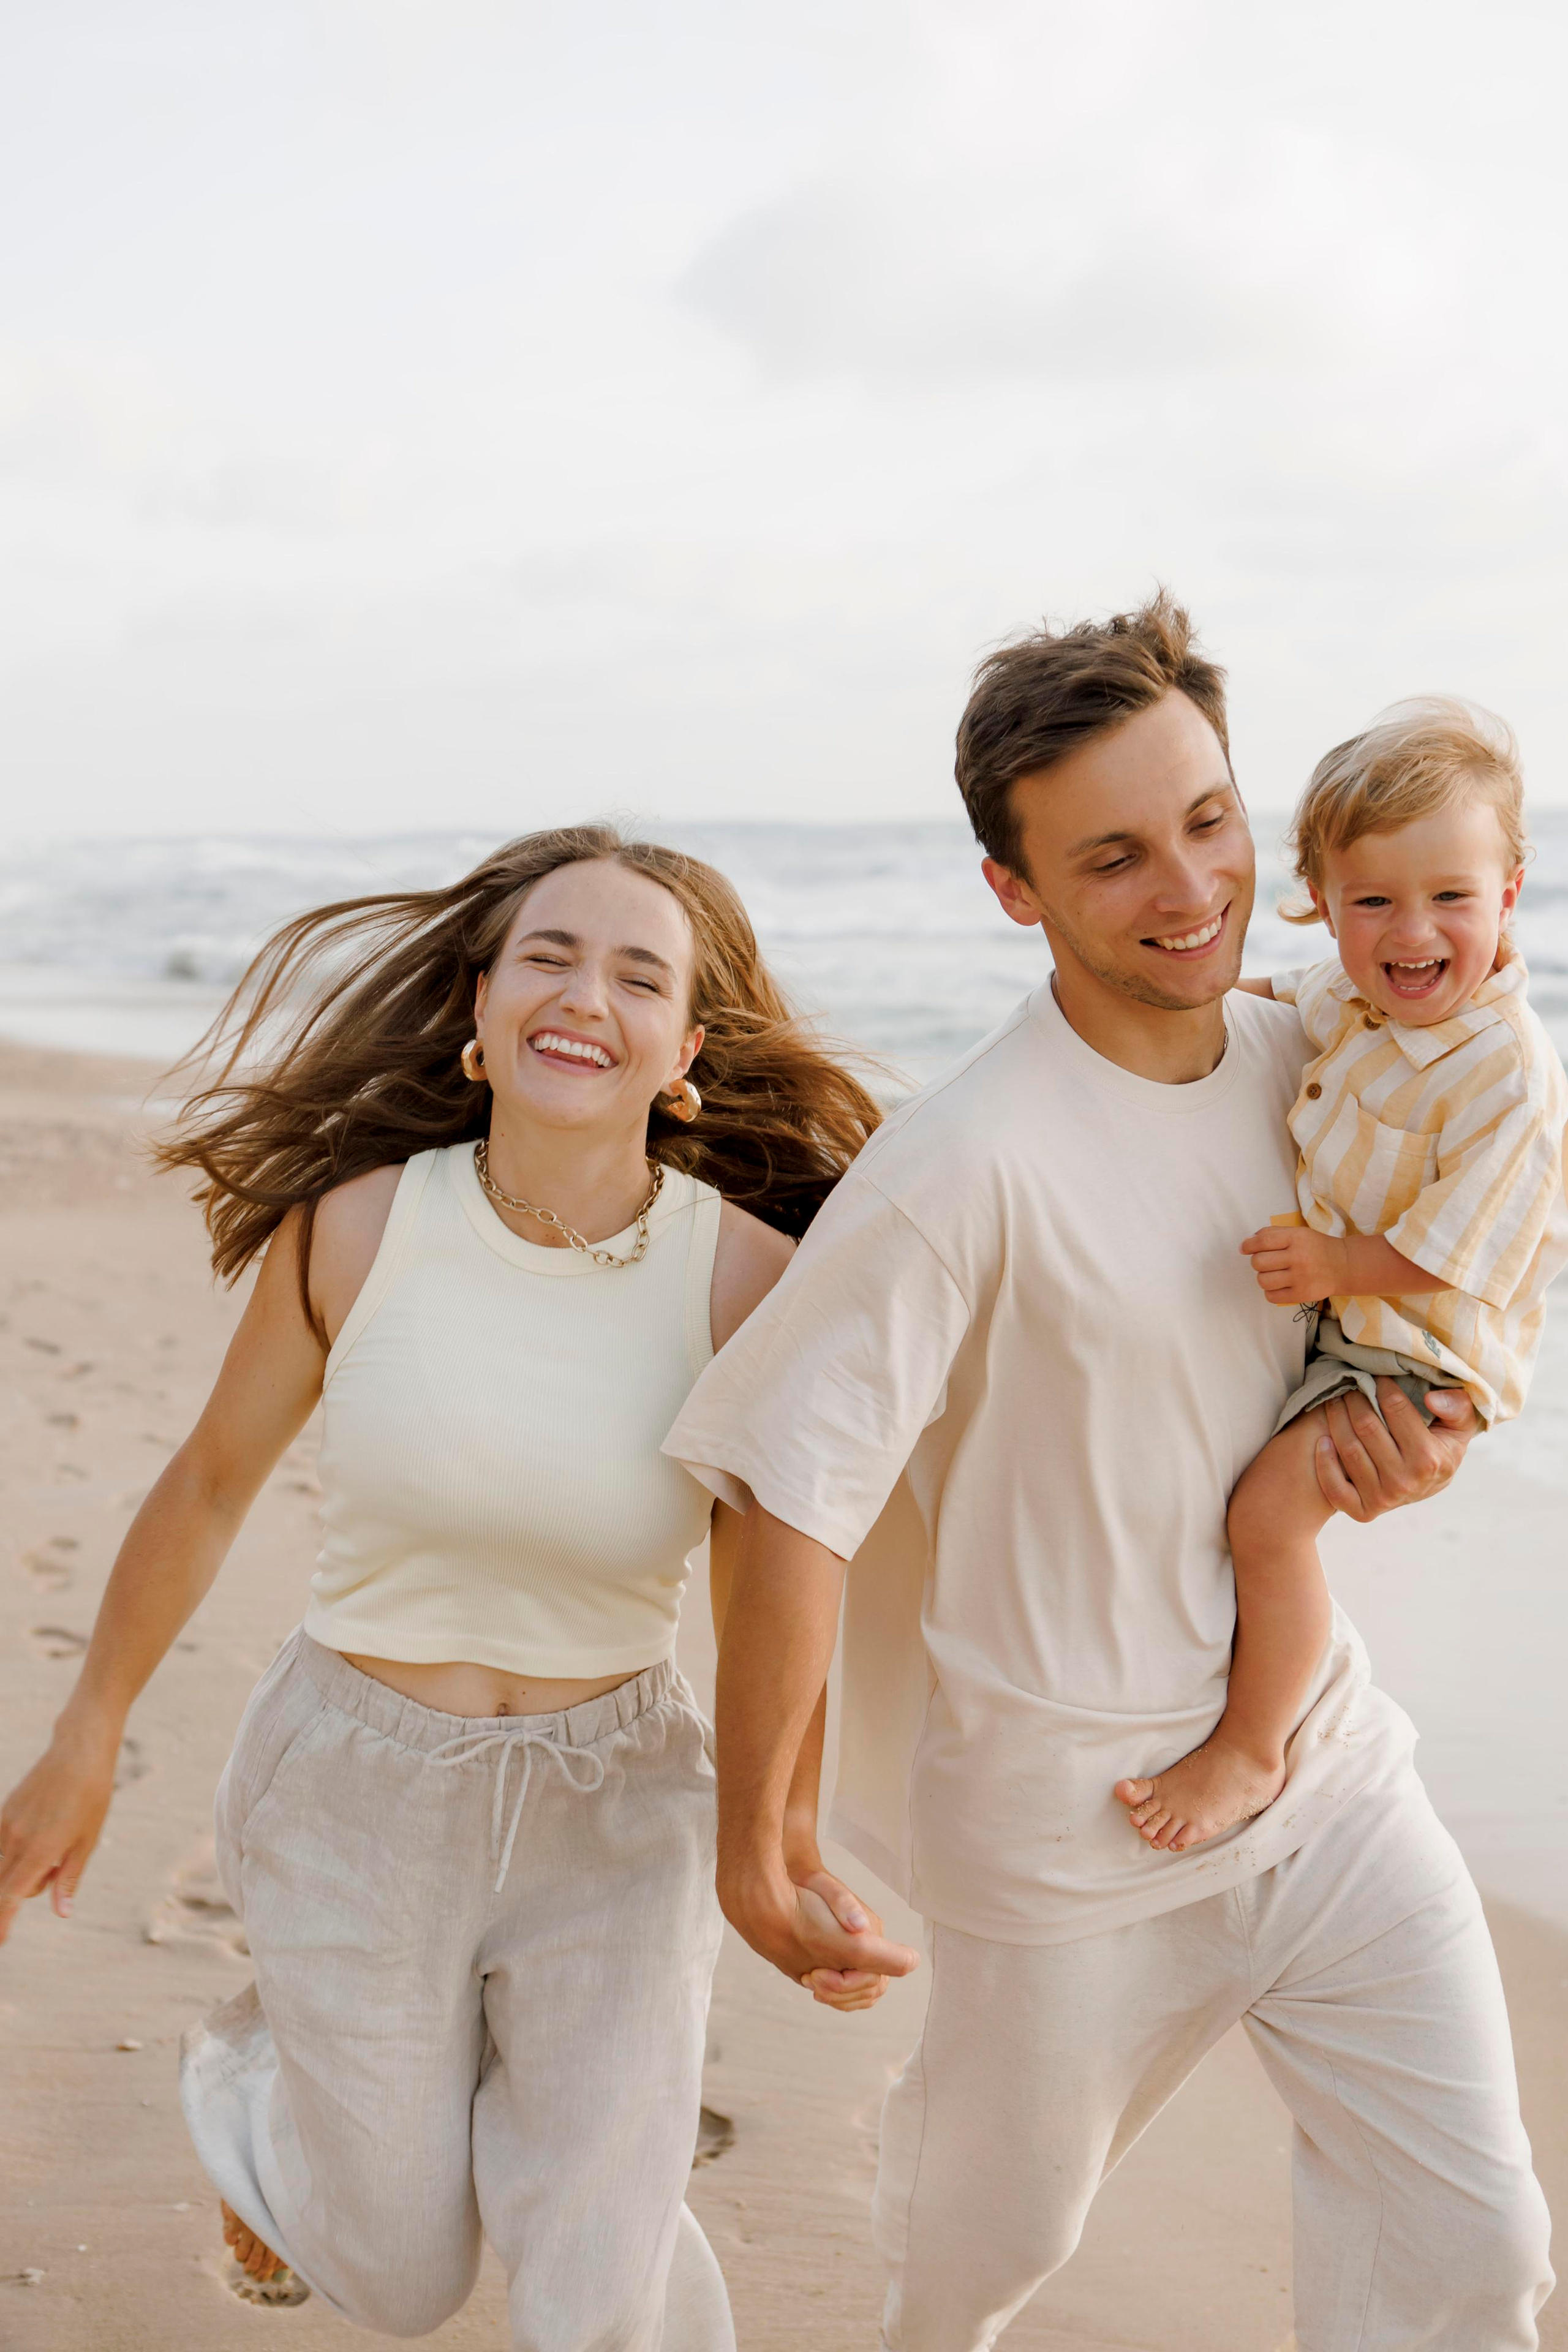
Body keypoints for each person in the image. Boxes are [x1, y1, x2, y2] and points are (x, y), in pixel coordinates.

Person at [665, 597, 1555, 2350]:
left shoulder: (1324, 1051)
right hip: (1067, 1844)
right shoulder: (961, 1167)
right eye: (1118, 858)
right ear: (1018, 892)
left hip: (1325, 1775)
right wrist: (755, 1840)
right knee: (980, 2272)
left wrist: (1418, 1450)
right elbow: (789, 1490)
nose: (1190, 888)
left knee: (1479, 2248)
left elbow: (1466, 1249)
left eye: (1212, 822)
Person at [0, 824, 883, 2347]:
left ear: (683, 1050)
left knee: (599, 2265)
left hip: (616, 1807)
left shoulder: (746, 1281)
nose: (582, 995)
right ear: (478, 1009)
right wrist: (88, 1731)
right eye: (547, 955)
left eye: (636, 974)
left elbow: (771, 1590)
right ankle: (268, 2107)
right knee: (402, 2280)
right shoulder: (355, 1228)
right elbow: (209, 1482)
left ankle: (541, 2155)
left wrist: (777, 1833)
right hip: (353, 1788)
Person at [1115, 698, 1568, 1852]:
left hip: (1421, 1352)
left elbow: (1447, 1251)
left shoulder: (1508, 1073)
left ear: (1509, 894)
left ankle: (1255, 1746)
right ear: (1321, 901)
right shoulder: (1355, 996)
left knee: (1269, 1518)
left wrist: (1329, 1262)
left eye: (1450, 898)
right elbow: (1268, 1006)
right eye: (1373, 901)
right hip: (1353, 1321)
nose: (1412, 932)